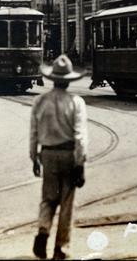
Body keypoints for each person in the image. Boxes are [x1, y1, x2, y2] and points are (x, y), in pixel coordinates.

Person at [30, 54, 88, 260]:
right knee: (66, 202)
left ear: (52, 78)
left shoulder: (40, 101)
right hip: (68, 154)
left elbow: (33, 132)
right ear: (69, 79)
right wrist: (80, 163)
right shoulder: (76, 102)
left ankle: (43, 231)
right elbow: (80, 136)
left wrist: (33, 157)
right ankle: (60, 248)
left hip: (47, 154)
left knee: (48, 198)